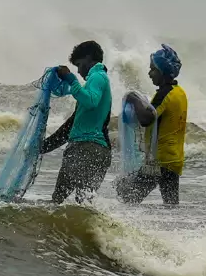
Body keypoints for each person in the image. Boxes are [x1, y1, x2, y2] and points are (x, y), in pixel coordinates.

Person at [41, 41, 113, 204]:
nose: (79, 71)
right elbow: (71, 126)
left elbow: (90, 101)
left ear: (88, 58)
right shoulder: (99, 80)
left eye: (79, 65)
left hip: (86, 148)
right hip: (98, 151)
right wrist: (44, 147)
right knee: (85, 203)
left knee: (57, 201)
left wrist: (71, 80)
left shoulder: (98, 77)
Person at [116, 44, 188, 205]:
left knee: (127, 196)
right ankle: (171, 230)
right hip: (174, 159)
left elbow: (147, 118)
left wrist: (133, 98)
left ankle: (129, 229)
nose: (149, 74)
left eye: (153, 69)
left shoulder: (164, 93)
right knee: (170, 204)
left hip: (159, 161)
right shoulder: (180, 92)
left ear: (163, 72)